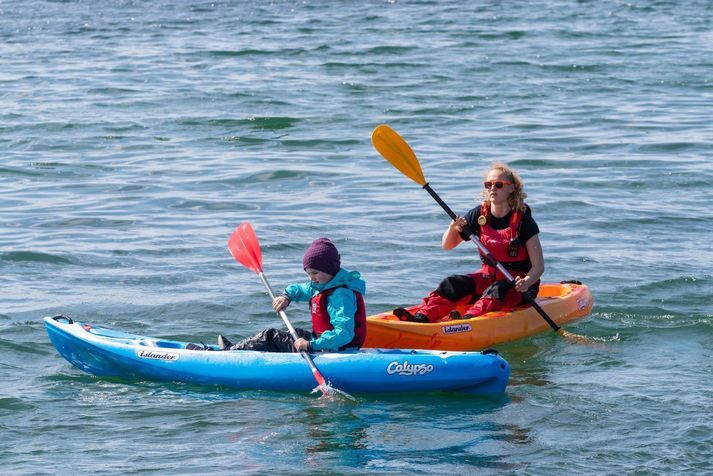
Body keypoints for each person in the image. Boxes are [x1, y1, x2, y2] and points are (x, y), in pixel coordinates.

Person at [394, 161, 544, 323]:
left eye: (499, 184)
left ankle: (466, 321)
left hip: (517, 287)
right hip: (488, 280)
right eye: (488, 184)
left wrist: (526, 282)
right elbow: (447, 245)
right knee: (452, 283)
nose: (492, 188)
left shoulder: (524, 222)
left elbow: (538, 266)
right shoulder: (479, 215)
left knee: (498, 289)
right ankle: (422, 317)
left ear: (511, 188)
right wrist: (452, 229)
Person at [217, 237, 367, 352]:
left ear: (330, 269)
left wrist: (310, 345)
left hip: (335, 350)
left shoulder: (340, 295)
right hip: (326, 344)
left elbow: (344, 334)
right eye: (308, 273)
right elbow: (301, 289)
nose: (311, 278)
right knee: (294, 332)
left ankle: (231, 353)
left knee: (270, 336)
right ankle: (238, 349)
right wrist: (286, 297)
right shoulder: (324, 285)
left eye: (315, 273)